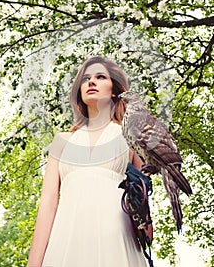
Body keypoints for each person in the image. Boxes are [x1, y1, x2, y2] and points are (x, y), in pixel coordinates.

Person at [27, 56, 147, 267]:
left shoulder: (131, 137)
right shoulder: (62, 141)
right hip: (66, 241)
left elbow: (143, 204)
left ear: (114, 90)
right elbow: (48, 204)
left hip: (118, 240)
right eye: (86, 79)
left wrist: (144, 221)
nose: (91, 82)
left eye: (100, 77)